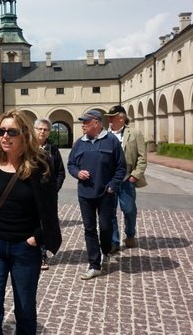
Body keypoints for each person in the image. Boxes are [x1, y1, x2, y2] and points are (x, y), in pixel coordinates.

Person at [0, 110, 62, 334]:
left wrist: (37, 237)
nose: (5, 136)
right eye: (1, 131)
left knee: (25, 313)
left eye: (12, 131)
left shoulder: (40, 165)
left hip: (24, 248)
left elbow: (49, 209)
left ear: (24, 135)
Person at [68, 110, 126, 280]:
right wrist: (78, 173)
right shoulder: (79, 143)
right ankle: (94, 265)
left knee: (106, 227)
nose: (83, 125)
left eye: (86, 122)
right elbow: (71, 164)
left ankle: (106, 252)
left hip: (105, 193)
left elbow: (121, 167)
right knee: (89, 228)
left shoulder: (111, 141)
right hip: (85, 194)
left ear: (96, 122)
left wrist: (112, 186)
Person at [104, 105, 147, 253]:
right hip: (110, 180)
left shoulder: (134, 133)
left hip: (128, 178)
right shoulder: (105, 135)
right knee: (110, 212)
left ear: (121, 117)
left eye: (112, 116)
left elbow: (142, 157)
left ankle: (130, 234)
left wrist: (135, 175)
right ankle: (114, 242)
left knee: (129, 210)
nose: (109, 119)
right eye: (109, 116)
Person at [34, 118, 65, 270]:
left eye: (45, 129)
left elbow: (60, 172)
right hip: (31, 196)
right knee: (33, 223)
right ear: (34, 130)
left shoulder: (53, 150)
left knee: (46, 224)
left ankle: (42, 255)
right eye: (39, 128)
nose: (42, 131)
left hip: (48, 196)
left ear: (49, 132)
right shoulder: (28, 149)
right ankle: (33, 253)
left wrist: (54, 189)